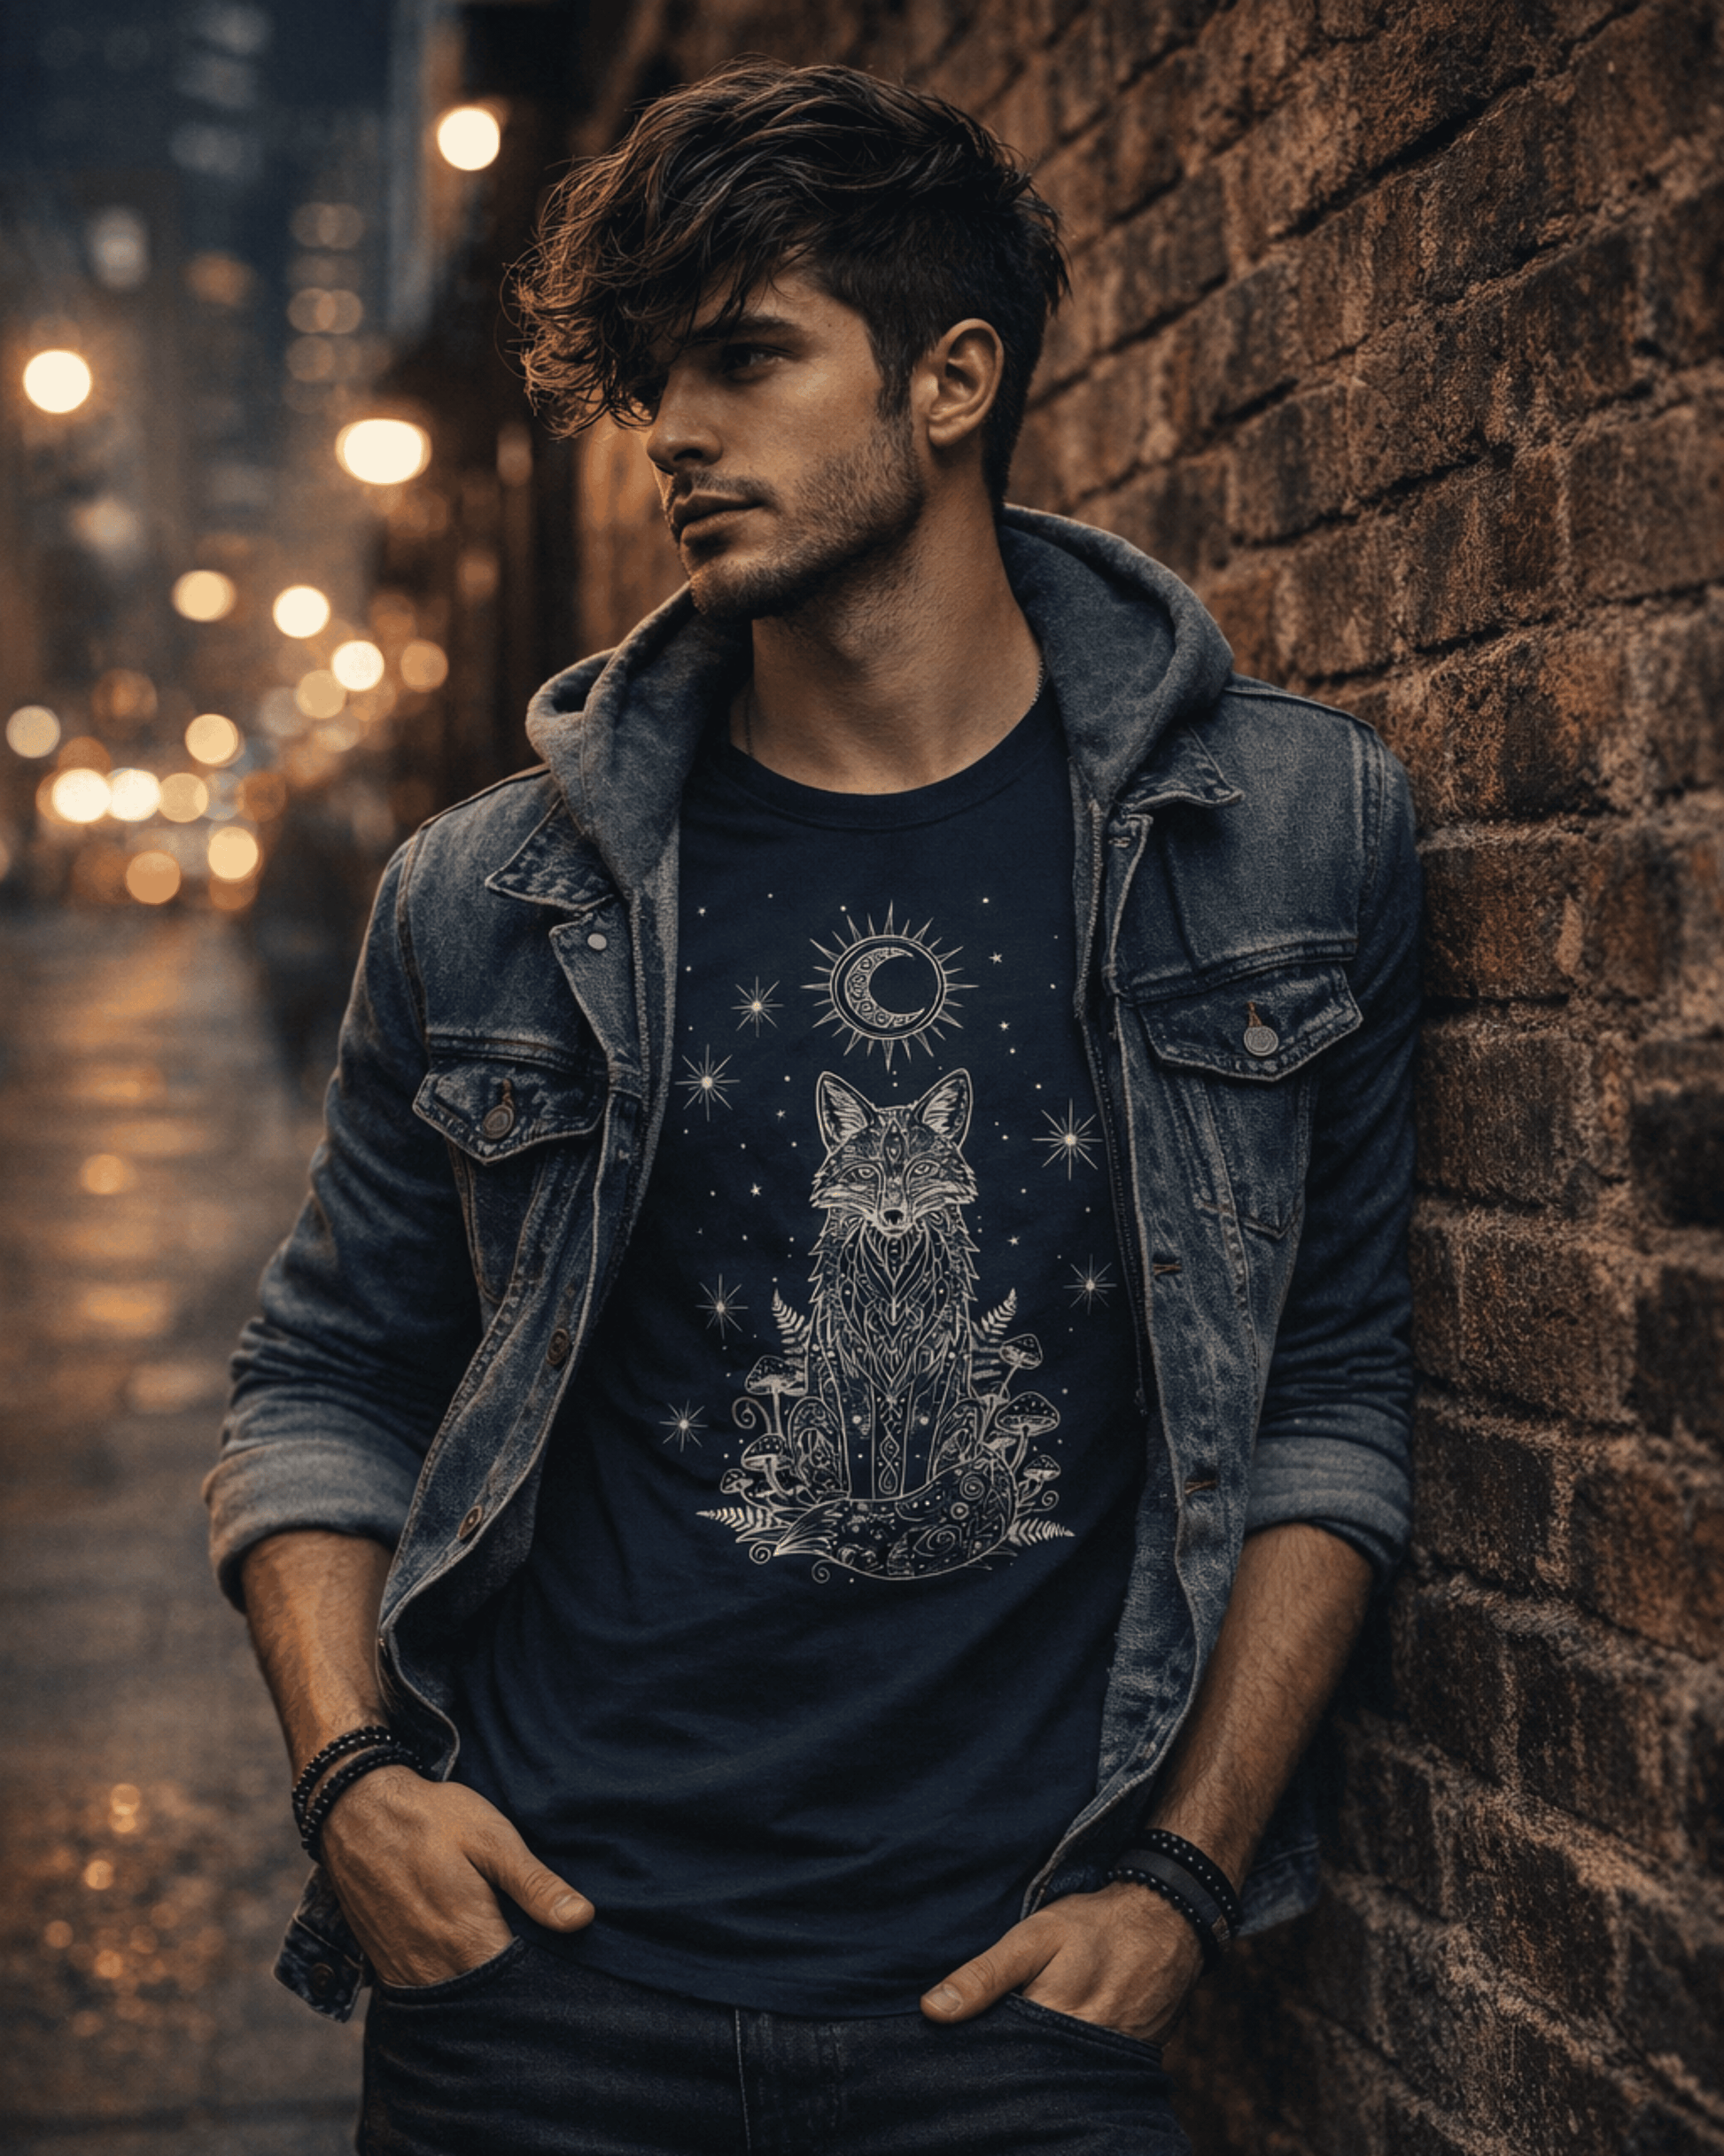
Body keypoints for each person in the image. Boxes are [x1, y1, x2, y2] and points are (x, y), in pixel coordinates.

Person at [207, 59, 1419, 2156]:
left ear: (950, 382)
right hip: (543, 1989)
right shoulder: (490, 896)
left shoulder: (1285, 838)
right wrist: (352, 1784)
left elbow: (1326, 1389)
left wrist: (1184, 1874)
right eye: (658, 376)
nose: (676, 429)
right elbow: (326, 1373)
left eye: (748, 358)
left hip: (1026, 1998)